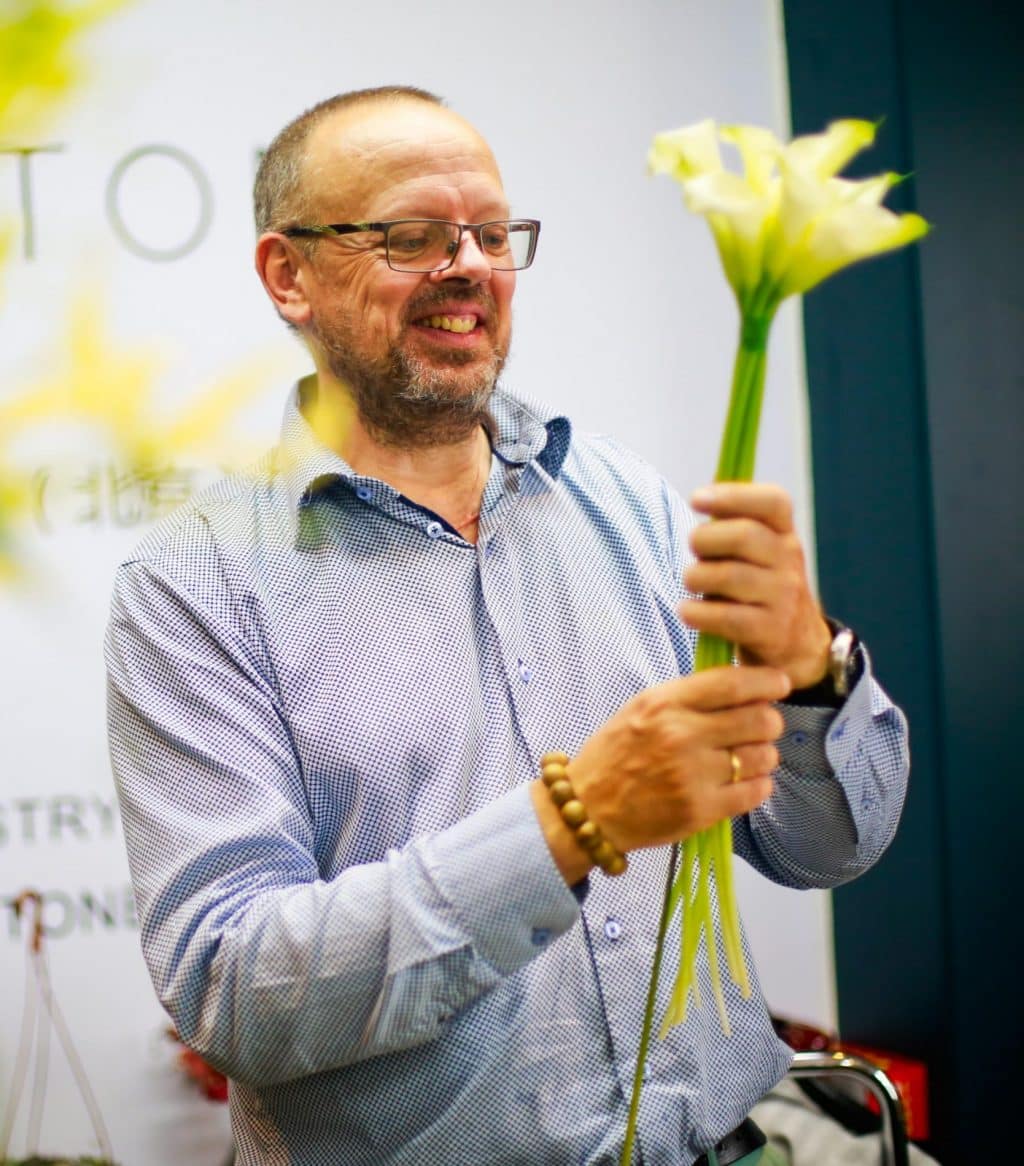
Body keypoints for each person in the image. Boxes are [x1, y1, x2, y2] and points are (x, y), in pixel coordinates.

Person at [105, 86, 909, 1166]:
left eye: (491, 233)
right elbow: (232, 984)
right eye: (411, 236)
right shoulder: (194, 587)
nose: (469, 264)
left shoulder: (630, 503)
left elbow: (829, 845)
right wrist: (568, 825)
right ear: (286, 274)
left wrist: (814, 663)